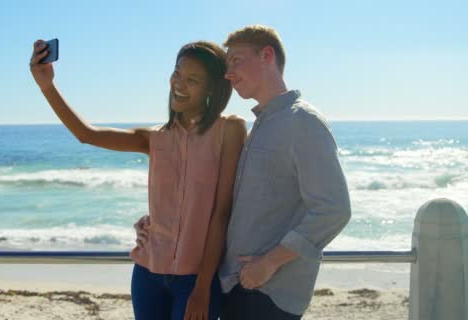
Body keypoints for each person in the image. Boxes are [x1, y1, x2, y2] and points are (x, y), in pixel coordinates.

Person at [136, 25, 351, 319]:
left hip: (269, 292)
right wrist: (163, 222)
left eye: (236, 60)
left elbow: (333, 209)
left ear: (267, 55)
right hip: (237, 286)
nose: (228, 73)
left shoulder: (302, 121)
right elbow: (233, 203)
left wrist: (270, 263)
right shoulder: (260, 125)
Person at [29, 40, 246, 320]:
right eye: (177, 73)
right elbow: (86, 134)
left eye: (192, 79)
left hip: (195, 279)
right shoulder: (154, 138)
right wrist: (46, 86)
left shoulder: (229, 129)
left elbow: (222, 212)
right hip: (147, 275)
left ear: (212, 88)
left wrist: (203, 287)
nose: (179, 83)